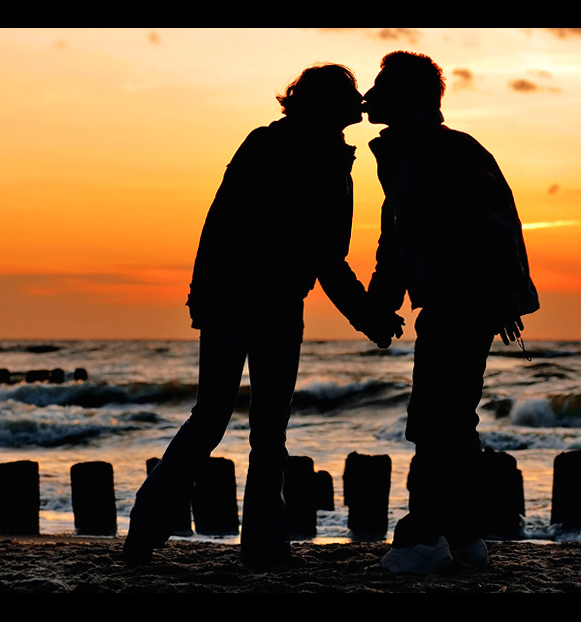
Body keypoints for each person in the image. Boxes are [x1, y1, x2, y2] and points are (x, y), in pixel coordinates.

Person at [123, 63, 403, 569]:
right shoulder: (310, 155)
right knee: (247, 424)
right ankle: (248, 543)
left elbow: (223, 222)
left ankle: (155, 531)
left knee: (231, 420)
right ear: (325, 104)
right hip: (252, 299)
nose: (362, 101)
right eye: (351, 95)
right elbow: (321, 252)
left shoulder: (290, 146)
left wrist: (200, 294)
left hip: (248, 298)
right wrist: (367, 315)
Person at [362, 51, 540, 573]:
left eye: (381, 87)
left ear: (410, 98)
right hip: (451, 300)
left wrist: (501, 298)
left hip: (462, 301)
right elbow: (396, 236)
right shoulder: (407, 153)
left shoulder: (446, 150)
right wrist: (382, 300)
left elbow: (496, 226)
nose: (370, 97)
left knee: (437, 421)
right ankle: (464, 538)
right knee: (450, 422)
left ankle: (422, 538)